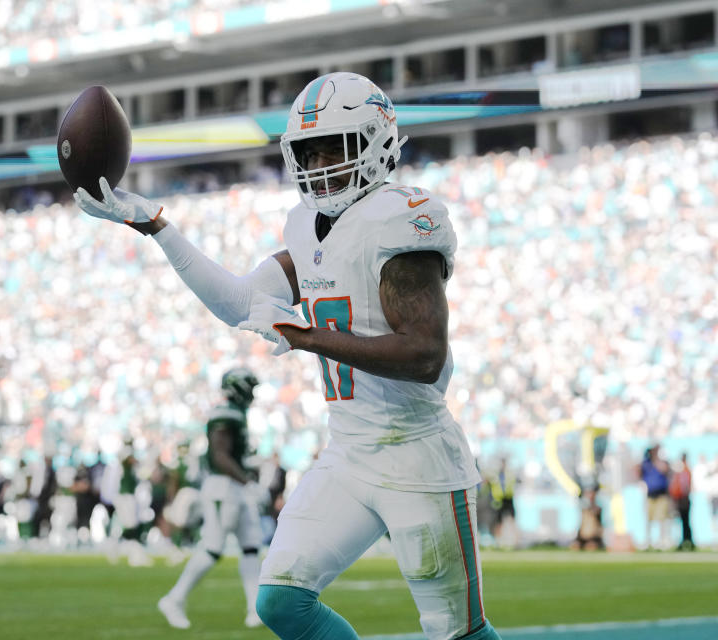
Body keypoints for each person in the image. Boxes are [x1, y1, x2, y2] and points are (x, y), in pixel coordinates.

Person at [76, 71, 499, 640]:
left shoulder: (400, 219)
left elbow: (424, 354)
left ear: (377, 142)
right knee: (281, 601)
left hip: (419, 456)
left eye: (334, 147)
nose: (319, 162)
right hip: (349, 453)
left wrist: (305, 336)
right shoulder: (307, 226)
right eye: (308, 150)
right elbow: (240, 304)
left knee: (456, 633)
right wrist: (157, 227)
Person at [158, 368, 270, 630]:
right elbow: (220, 455)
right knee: (213, 548)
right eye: (249, 388)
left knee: (251, 545)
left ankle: (255, 608)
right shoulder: (225, 414)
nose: (251, 394)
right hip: (223, 487)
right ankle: (174, 598)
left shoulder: (237, 414)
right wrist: (247, 482)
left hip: (235, 487)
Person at [639, 444, 671, 550]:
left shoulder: (662, 462)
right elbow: (638, 473)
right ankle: (648, 541)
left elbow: (664, 469)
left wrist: (656, 458)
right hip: (650, 495)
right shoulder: (646, 463)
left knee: (662, 518)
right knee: (648, 519)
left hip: (661, 494)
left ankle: (662, 541)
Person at [669, 453, 694, 551]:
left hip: (683, 499)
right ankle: (686, 540)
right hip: (681, 499)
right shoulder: (683, 470)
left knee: (685, 521)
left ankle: (688, 540)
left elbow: (684, 487)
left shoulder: (684, 471)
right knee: (684, 521)